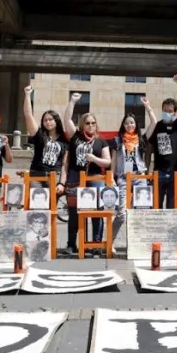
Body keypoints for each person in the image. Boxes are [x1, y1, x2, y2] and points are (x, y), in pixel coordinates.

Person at [60, 93, 111, 256]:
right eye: (87, 123)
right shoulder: (76, 137)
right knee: (74, 213)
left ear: (96, 126)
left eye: (93, 123)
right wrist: (72, 102)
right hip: (75, 178)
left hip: (95, 178)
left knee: (97, 212)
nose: (90, 126)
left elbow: (107, 162)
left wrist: (94, 158)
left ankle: (96, 243)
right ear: (82, 125)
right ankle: (71, 244)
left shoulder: (101, 141)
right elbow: (67, 120)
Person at [110, 102, 156, 249]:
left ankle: (138, 245)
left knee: (141, 213)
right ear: (123, 125)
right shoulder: (118, 141)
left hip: (139, 178)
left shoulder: (141, 140)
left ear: (136, 125)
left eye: (132, 123)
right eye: (126, 123)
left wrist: (148, 107)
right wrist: (111, 177)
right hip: (123, 178)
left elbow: (154, 122)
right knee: (121, 214)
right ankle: (109, 242)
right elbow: (113, 160)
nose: (129, 125)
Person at [146, 75, 177, 209]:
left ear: (174, 112)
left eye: (170, 111)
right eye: (165, 111)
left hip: (175, 172)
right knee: (156, 206)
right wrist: (148, 170)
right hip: (158, 172)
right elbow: (149, 149)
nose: (167, 113)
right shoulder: (157, 126)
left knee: (172, 207)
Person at [23, 85, 68, 198]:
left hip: (55, 176)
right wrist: (28, 95)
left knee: (51, 209)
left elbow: (64, 164)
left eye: (50, 119)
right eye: (45, 120)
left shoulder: (64, 141)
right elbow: (28, 116)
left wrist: (62, 183)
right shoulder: (39, 135)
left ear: (56, 121)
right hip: (36, 176)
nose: (47, 122)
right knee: (36, 208)